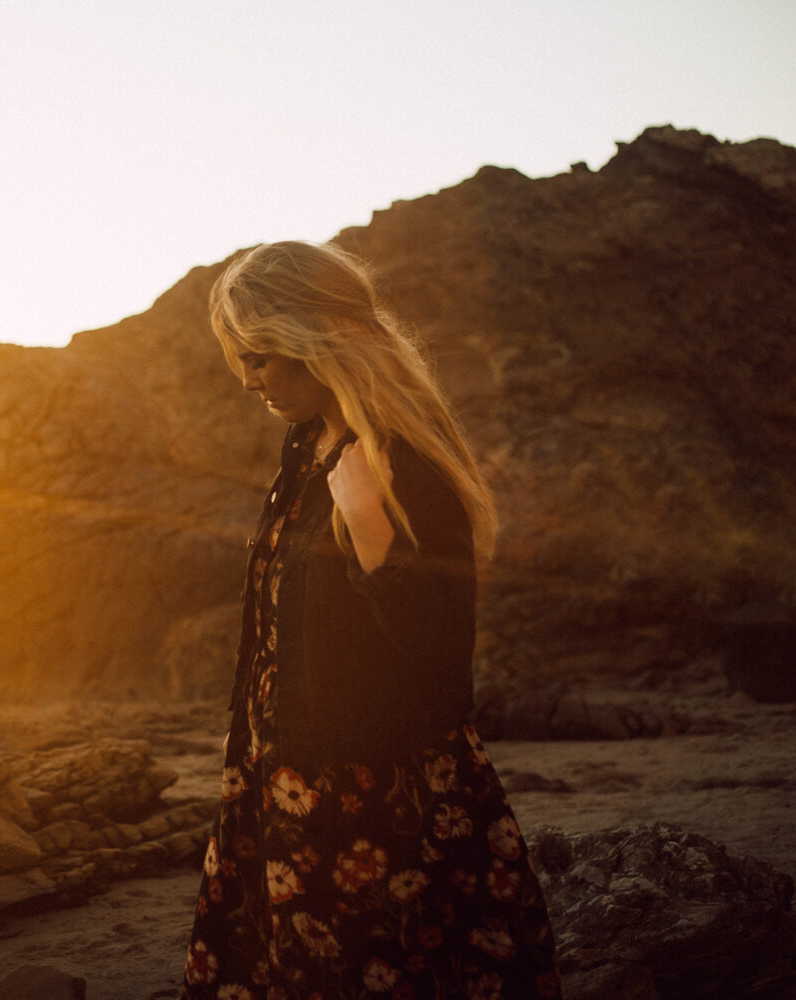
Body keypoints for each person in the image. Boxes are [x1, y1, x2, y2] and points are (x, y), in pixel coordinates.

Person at [182, 241, 560, 1000]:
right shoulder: (303, 449)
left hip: (368, 793)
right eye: (239, 357)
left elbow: (444, 653)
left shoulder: (401, 461)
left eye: (261, 355)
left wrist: (374, 537)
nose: (248, 379)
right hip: (279, 773)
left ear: (315, 337)